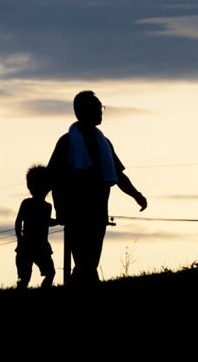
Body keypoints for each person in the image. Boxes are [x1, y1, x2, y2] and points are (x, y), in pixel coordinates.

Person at [47, 90, 147, 286]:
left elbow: (118, 174)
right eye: (97, 108)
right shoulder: (67, 142)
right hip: (76, 210)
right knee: (85, 263)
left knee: (90, 261)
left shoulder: (104, 142)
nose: (101, 112)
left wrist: (136, 195)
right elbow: (53, 178)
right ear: (82, 111)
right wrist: (59, 209)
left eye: (101, 108)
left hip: (98, 210)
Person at [14, 165, 58, 289]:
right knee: (26, 276)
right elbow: (18, 222)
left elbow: (46, 221)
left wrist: (58, 221)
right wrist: (19, 238)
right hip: (28, 245)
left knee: (50, 272)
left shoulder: (46, 207)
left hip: (40, 245)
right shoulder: (27, 204)